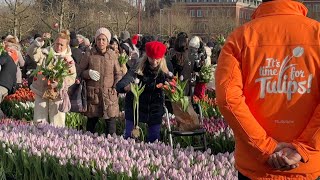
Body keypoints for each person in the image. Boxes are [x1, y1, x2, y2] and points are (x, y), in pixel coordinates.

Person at [215, 0, 320, 179]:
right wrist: (303, 148)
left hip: (256, 165)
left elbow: (227, 98)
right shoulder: (317, 34)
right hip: (306, 165)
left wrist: (266, 146)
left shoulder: (241, 37)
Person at [116, 41, 169, 143]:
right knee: (130, 138)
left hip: (154, 110)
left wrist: (170, 89)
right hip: (135, 109)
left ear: (162, 58)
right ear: (146, 56)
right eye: (151, 58)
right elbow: (120, 85)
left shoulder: (164, 71)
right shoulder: (138, 67)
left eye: (157, 59)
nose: (154, 61)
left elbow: (173, 84)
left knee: (154, 141)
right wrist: (127, 87)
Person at [78, 27, 122, 134]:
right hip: (94, 94)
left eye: (103, 40)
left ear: (107, 41)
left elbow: (118, 73)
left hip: (109, 94)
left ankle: (111, 146)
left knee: (111, 124)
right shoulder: (89, 54)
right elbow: (80, 72)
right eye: (98, 39)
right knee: (91, 124)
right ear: (95, 40)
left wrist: (115, 87)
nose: (101, 42)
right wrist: (88, 73)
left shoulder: (112, 55)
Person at [30, 30, 76, 127]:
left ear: (66, 45)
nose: (58, 47)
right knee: (39, 120)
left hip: (57, 93)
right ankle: (38, 140)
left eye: (61, 45)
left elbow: (71, 77)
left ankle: (56, 139)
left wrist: (59, 83)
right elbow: (31, 53)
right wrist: (40, 40)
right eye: (57, 43)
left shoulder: (68, 59)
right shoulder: (45, 53)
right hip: (41, 91)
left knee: (57, 122)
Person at [0, 50, 18, 119]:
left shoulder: (6, 56)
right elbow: (14, 82)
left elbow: (0, 62)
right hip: (6, 89)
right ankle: (4, 121)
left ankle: (4, 120)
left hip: (1, 85)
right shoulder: (14, 67)